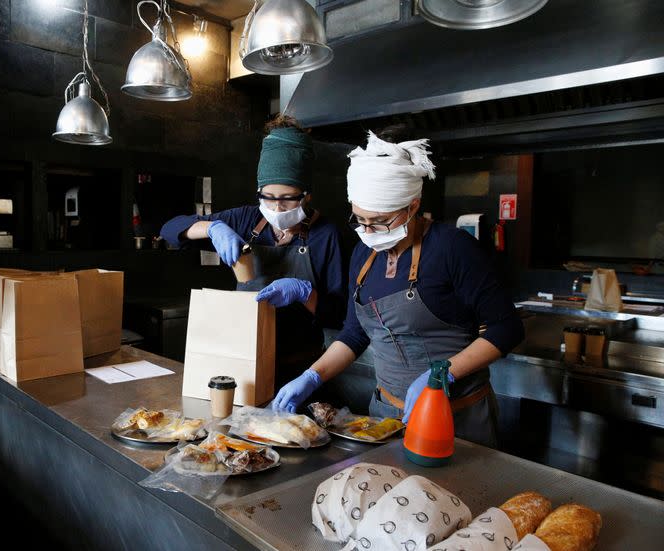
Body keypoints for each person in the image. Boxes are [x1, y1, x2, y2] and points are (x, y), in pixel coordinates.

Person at [271, 130, 524, 447]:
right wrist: (313, 375)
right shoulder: (363, 254)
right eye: (359, 220)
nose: (367, 231)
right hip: (385, 419)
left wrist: (444, 373)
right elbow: (354, 333)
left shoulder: (452, 249)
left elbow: (507, 329)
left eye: (379, 221)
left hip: (456, 418)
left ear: (412, 206)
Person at [160, 115, 346, 387]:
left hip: (300, 367)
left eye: (287, 199)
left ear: (306, 195)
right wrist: (212, 229)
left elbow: (338, 315)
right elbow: (170, 229)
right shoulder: (246, 220)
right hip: (243, 360)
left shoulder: (326, 236)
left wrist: (305, 293)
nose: (277, 208)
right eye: (268, 198)